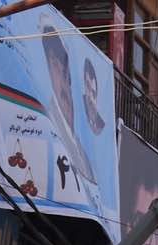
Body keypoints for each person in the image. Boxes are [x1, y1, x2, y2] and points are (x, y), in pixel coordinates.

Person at [41, 23, 96, 185]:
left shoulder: (83, 150)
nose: (64, 83)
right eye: (55, 66)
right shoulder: (47, 121)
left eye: (65, 72)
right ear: (49, 70)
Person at [82, 59, 105, 135]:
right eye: (88, 87)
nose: (90, 97)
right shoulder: (78, 105)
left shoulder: (101, 127)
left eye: (94, 93)